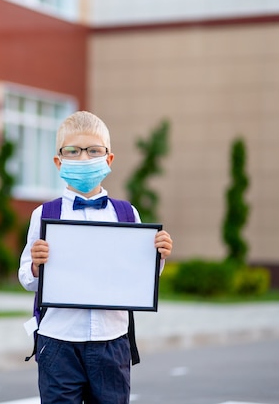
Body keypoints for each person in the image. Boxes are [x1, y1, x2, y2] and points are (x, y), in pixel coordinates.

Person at [18, 111, 173, 404]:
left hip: (111, 340)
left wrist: (158, 256)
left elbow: (139, 276)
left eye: (93, 150)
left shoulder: (127, 214)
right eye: (73, 151)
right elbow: (27, 277)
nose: (83, 157)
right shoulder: (45, 214)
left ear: (108, 159)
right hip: (58, 339)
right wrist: (36, 268)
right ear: (58, 161)